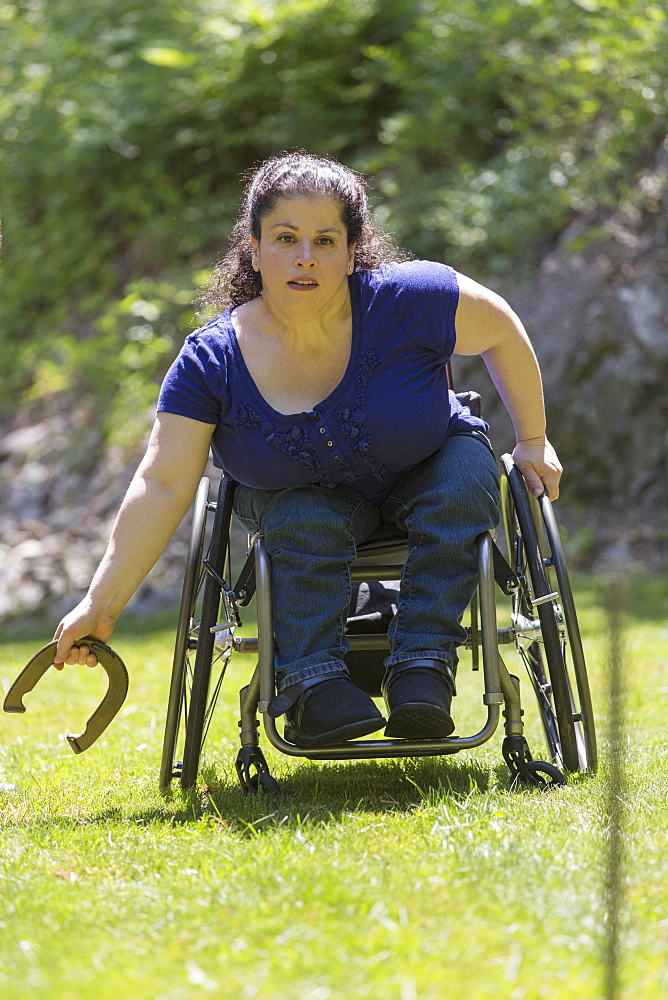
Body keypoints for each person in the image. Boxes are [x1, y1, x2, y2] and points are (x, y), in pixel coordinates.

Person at [53, 152, 562, 748]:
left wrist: (533, 440)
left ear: (352, 251)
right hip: (298, 500)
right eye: (286, 238)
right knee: (301, 519)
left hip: (428, 464)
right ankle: (315, 685)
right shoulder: (210, 361)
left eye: (325, 240)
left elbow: (501, 329)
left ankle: (423, 665)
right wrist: (101, 603)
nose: (305, 257)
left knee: (465, 474)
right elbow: (164, 482)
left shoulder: (409, 299)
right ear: (254, 247)